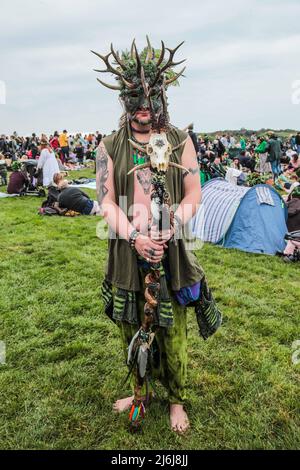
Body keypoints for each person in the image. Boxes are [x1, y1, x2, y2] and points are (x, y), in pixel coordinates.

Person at [93, 38, 221, 434]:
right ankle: (141, 391)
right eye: (136, 98)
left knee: (175, 332)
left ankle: (176, 400)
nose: (145, 105)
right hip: (128, 252)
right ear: (125, 100)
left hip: (172, 250)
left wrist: (172, 223)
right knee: (132, 328)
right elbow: (105, 200)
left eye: (152, 97)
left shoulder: (180, 140)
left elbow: (195, 191)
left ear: (163, 97)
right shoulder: (108, 146)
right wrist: (134, 236)